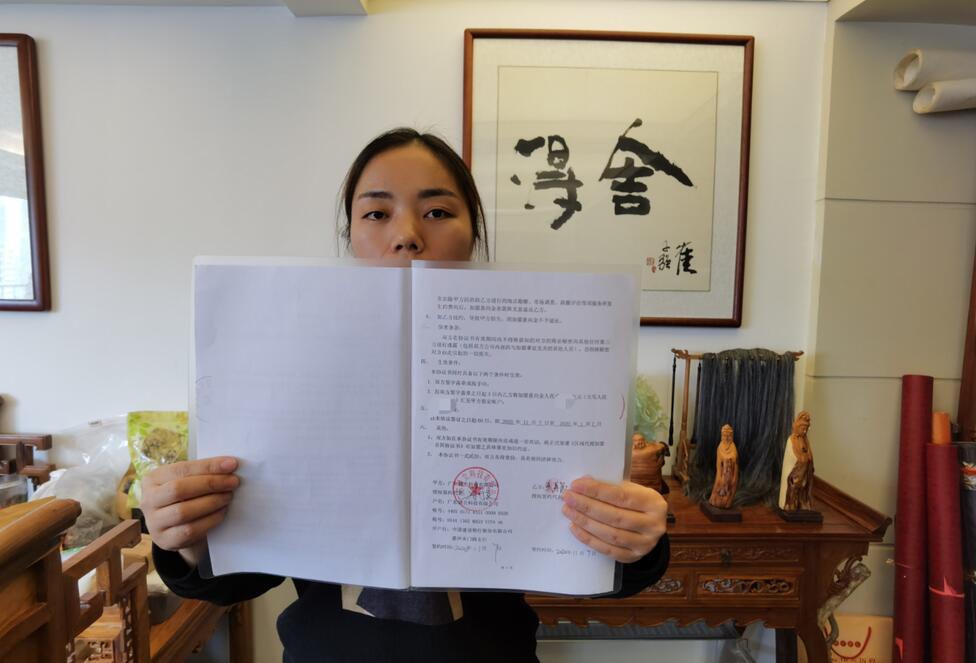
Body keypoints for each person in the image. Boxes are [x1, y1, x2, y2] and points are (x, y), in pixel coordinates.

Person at [144, 128, 670, 663]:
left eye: (438, 212)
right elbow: (239, 578)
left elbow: (599, 564)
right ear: (351, 236)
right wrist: (186, 537)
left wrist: (637, 540)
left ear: (473, 233)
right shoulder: (289, 371)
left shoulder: (546, 368)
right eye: (377, 213)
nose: (407, 235)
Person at [708, 424, 739, 509]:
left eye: (729, 436)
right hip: (721, 474)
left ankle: (727, 503)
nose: (727, 438)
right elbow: (718, 464)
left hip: (731, 474)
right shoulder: (720, 447)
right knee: (718, 487)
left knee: (730, 490)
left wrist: (734, 477)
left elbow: (735, 463)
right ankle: (715, 501)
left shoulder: (733, 448)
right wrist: (720, 476)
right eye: (725, 435)